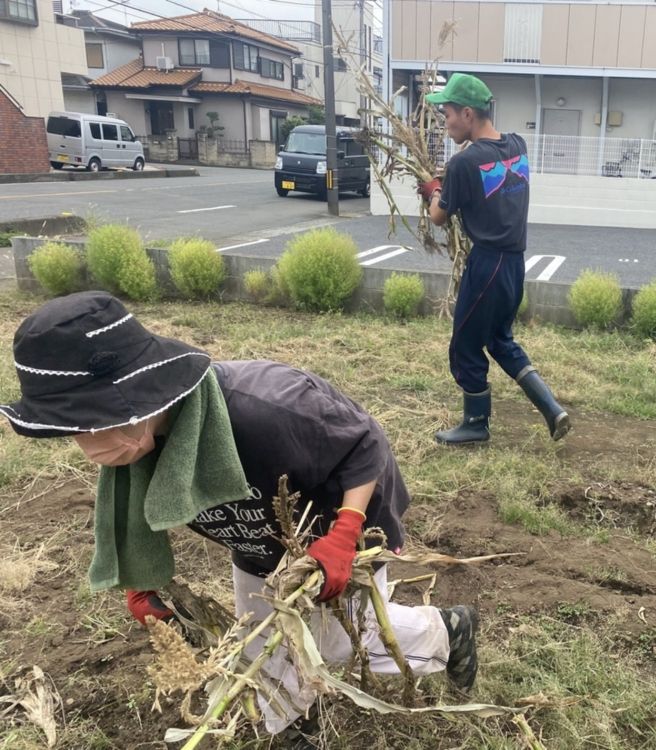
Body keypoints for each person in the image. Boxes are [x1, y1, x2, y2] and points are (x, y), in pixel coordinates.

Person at [0, 291, 479, 734]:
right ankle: (291, 728)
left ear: (136, 398)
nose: (85, 446)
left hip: (341, 517)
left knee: (340, 640)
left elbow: (365, 443)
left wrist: (344, 534)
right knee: (257, 639)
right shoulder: (138, 445)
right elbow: (132, 509)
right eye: (71, 429)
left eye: (88, 424)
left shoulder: (267, 408)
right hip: (256, 531)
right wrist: (140, 580)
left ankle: (448, 631)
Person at [417, 73, 571, 446]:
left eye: (449, 114)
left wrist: (433, 190)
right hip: (515, 264)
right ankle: (552, 409)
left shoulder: (463, 164)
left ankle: (475, 424)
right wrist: (449, 184)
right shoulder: (518, 146)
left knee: (465, 344)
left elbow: (439, 216)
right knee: (499, 339)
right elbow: (492, 185)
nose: (446, 122)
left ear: (468, 114)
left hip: (486, 265)